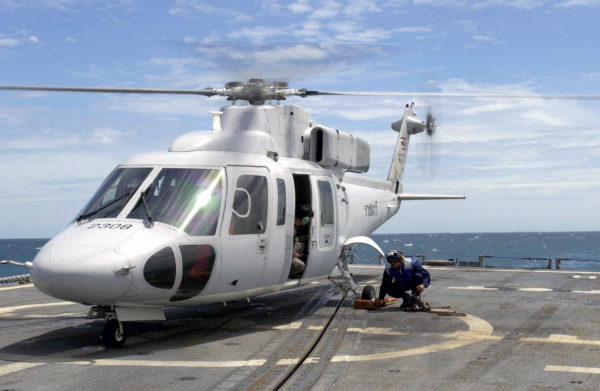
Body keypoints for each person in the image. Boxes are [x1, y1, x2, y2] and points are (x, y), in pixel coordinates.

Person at [289, 204, 313, 278]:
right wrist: (293, 254)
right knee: (301, 265)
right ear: (304, 219)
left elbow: (294, 240)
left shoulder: (294, 225)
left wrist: (305, 237)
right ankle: (287, 274)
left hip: (289, 250)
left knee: (301, 245)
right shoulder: (291, 229)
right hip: (283, 254)